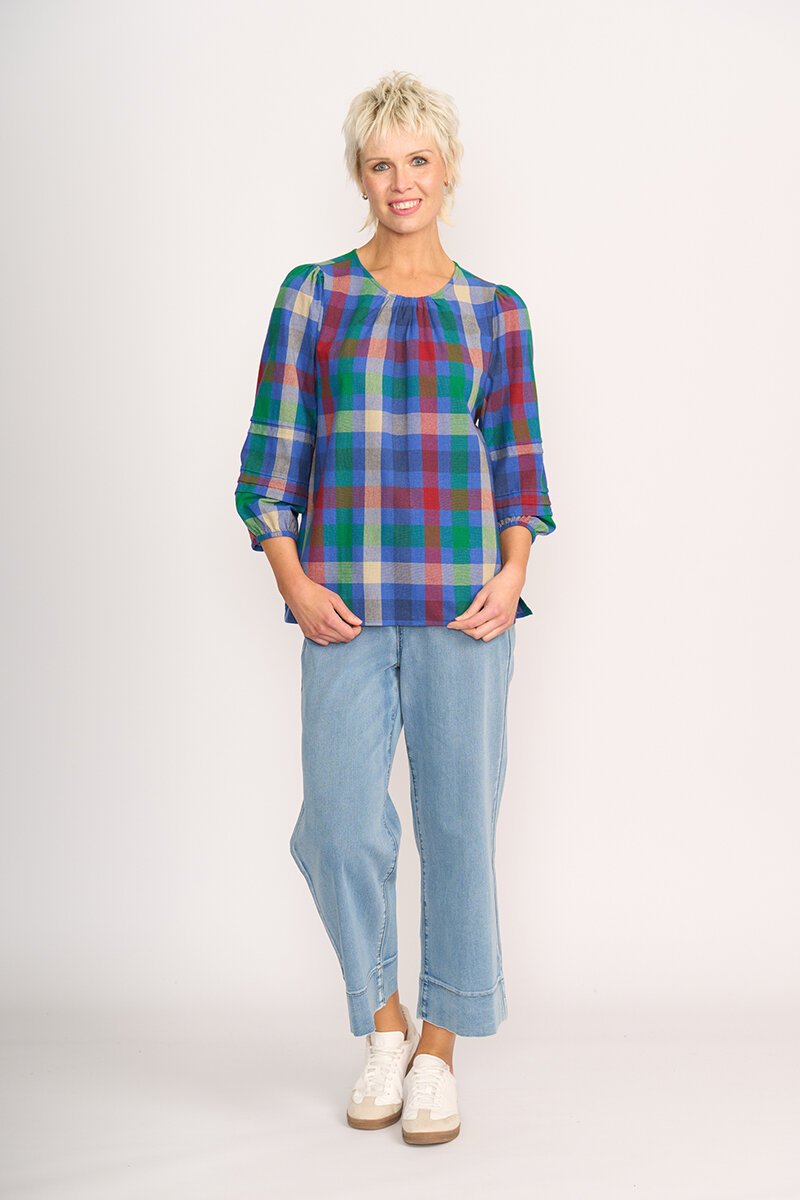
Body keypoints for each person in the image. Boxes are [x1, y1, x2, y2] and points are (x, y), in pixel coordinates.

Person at [234, 70, 556, 1145]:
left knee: (458, 823)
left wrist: (513, 572)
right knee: (337, 822)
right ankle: (382, 1024)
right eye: (381, 163)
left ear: (447, 169)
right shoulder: (314, 297)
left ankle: (439, 1050)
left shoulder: (493, 312)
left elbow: (517, 462)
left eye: (418, 160)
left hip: (467, 608)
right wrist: (292, 580)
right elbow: (272, 460)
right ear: (360, 177)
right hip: (344, 607)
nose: (400, 180)